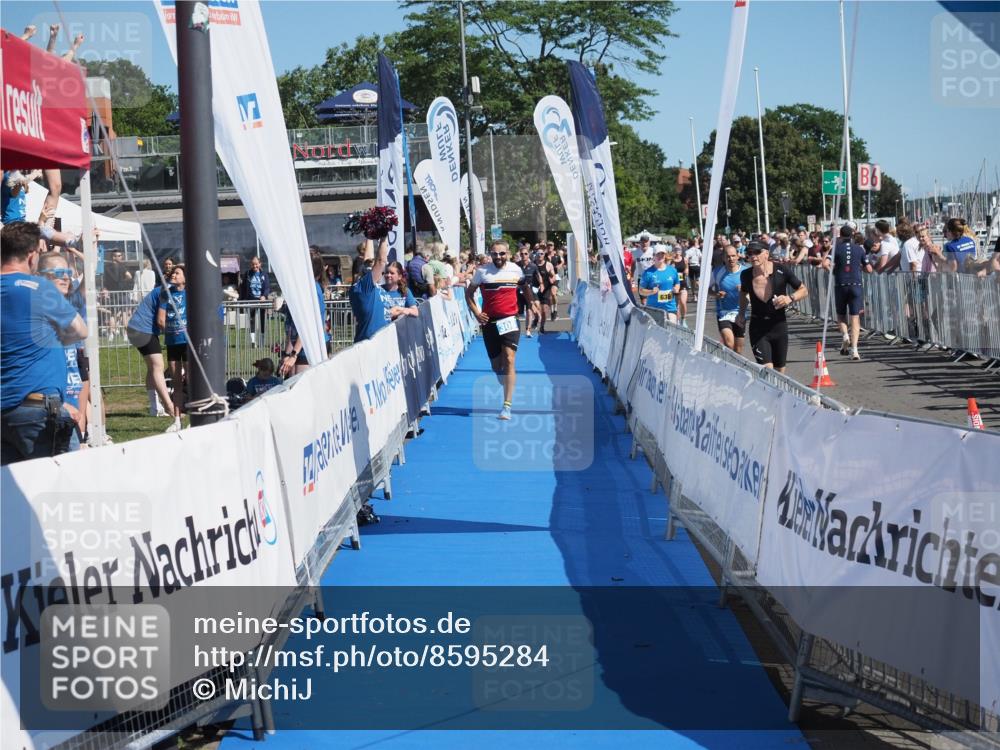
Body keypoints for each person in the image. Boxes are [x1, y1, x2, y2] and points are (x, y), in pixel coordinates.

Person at [1, 222, 88, 464]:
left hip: (4, 411)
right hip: (37, 411)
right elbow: (80, 329)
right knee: (60, 489)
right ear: (32, 257)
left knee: (10, 495)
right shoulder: (38, 288)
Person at [465, 241, 524, 420]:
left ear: (508, 253)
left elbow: (525, 287)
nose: (498, 257)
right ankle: (502, 377)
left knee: (509, 359)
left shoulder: (516, 270)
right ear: (490, 254)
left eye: (502, 254)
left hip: (510, 320)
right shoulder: (482, 272)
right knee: (497, 366)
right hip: (489, 322)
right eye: (495, 254)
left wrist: (533, 303)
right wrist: (477, 313)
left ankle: (507, 406)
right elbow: (468, 293)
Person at [35, 253, 86, 446]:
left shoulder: (67, 305)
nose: (66, 277)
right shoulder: (38, 310)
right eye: (59, 273)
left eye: (68, 272)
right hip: (52, 405)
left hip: (69, 401)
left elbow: (87, 284)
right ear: (42, 276)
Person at [736, 240, 808, 374]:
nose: (753, 256)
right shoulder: (746, 275)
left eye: (757, 252)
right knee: (767, 371)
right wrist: (741, 313)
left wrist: (789, 298)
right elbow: (743, 293)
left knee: (780, 372)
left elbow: (804, 290)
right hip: (758, 327)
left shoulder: (781, 270)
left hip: (779, 326)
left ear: (766, 254)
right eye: (749, 253)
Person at [350, 238, 417, 344]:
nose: (385, 275)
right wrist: (384, 235)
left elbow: (368, 260)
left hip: (383, 340)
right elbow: (380, 261)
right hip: (371, 342)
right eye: (386, 272)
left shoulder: (365, 288)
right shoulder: (365, 290)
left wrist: (370, 236)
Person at [823, 225, 872, 360]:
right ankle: (855, 350)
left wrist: (834, 273)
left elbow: (824, 264)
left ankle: (845, 335)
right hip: (856, 284)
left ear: (840, 236)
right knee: (855, 318)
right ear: (852, 235)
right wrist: (859, 267)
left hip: (841, 284)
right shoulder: (860, 249)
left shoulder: (835, 248)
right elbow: (869, 269)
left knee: (841, 315)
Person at [157, 265, 188, 432]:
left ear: (185, 278)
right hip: (172, 342)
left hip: (187, 342)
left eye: (178, 273)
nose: (174, 275)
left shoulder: (190, 293)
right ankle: (177, 420)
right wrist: (170, 329)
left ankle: (196, 417)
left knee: (191, 380)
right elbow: (160, 320)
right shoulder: (165, 294)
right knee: (176, 382)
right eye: (173, 272)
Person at [710, 245, 748, 355]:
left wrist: (746, 290)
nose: (731, 259)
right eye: (728, 256)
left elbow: (755, 291)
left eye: (733, 256)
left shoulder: (746, 272)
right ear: (723, 258)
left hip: (740, 313)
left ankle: (736, 369)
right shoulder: (717, 272)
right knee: (729, 343)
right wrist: (716, 294)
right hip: (724, 313)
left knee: (738, 350)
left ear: (738, 256)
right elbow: (707, 289)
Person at [637, 246, 681, 323]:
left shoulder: (672, 270)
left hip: (670, 308)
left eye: (662, 254)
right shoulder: (648, 273)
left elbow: (677, 283)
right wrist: (651, 292)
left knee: (672, 329)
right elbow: (641, 291)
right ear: (653, 256)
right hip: (654, 310)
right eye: (658, 254)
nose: (660, 256)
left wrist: (676, 288)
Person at [239, 256, 270, 345]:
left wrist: (264, 296)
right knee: (251, 319)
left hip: (261, 300)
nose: (254, 266)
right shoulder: (247, 274)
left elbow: (267, 287)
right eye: (253, 264)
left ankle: (262, 340)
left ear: (260, 264)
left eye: (256, 264)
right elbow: (243, 287)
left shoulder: (264, 274)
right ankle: (253, 341)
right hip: (251, 299)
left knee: (262, 319)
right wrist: (241, 298)